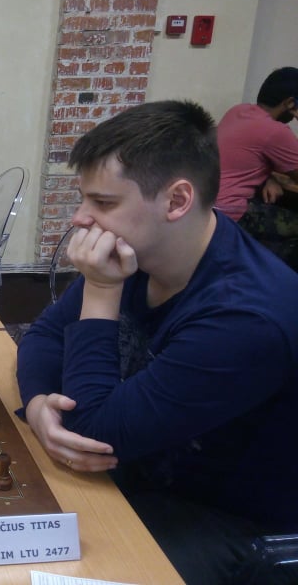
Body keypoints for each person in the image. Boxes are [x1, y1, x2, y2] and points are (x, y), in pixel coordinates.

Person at [16, 100, 298, 584]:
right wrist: (40, 402)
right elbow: (43, 335)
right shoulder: (138, 254)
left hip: (229, 524)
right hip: (136, 470)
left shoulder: (247, 317)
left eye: (103, 203)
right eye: (84, 199)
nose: (81, 218)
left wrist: (100, 291)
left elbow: (91, 432)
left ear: (176, 201)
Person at [215, 66, 298, 271]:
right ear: (290, 103)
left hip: (207, 206)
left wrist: (269, 177)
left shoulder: (238, 111)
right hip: (232, 213)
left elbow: (246, 154)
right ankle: (275, 278)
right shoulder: (276, 132)